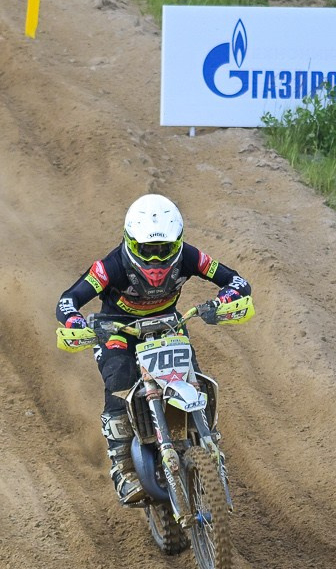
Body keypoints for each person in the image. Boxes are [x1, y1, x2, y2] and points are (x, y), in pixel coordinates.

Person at [54, 194, 253, 504]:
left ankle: (209, 443)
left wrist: (223, 299)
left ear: (178, 244)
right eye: (148, 251)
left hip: (168, 326)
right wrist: (76, 321)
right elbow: (68, 299)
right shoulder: (110, 267)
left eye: (165, 250)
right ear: (131, 243)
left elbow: (235, 280)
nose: (158, 259)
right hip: (118, 329)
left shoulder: (190, 256)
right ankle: (123, 469)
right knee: (119, 378)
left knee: (194, 378)